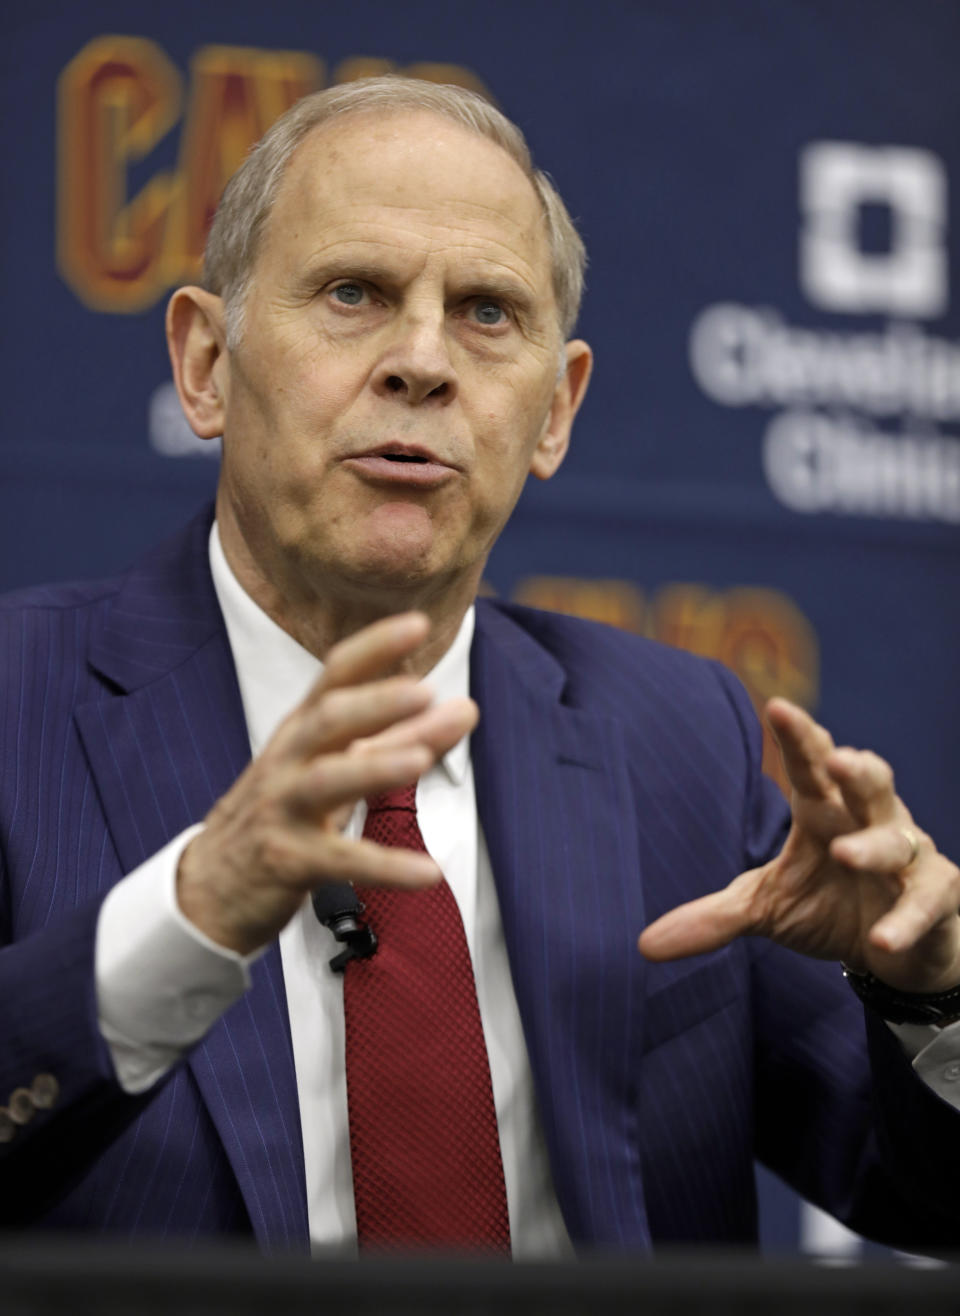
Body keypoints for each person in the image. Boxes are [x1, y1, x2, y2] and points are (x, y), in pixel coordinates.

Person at [3, 76, 960, 1255]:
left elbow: (927, 1193)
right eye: (354, 293)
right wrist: (189, 915)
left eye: (487, 313)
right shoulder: (19, 702)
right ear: (206, 363)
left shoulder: (677, 744)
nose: (422, 362)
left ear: (555, 412)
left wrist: (930, 993)